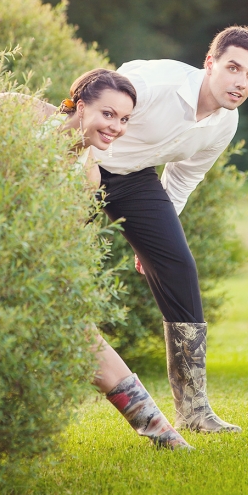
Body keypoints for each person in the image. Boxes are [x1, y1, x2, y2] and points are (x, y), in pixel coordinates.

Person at [92, 26, 248, 434]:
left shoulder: (225, 123)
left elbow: (182, 178)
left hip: (136, 180)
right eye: (233, 68)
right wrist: (81, 160)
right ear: (210, 63)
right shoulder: (159, 83)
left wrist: (152, 240)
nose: (241, 82)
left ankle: (193, 410)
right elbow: (99, 95)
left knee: (179, 268)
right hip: (86, 164)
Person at [42, 68, 195, 450]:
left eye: (124, 119)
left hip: (21, 265)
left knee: (84, 338)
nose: (116, 127)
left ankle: (163, 436)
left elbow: (60, 235)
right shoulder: (22, 113)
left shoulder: (88, 175)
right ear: (81, 106)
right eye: (107, 114)